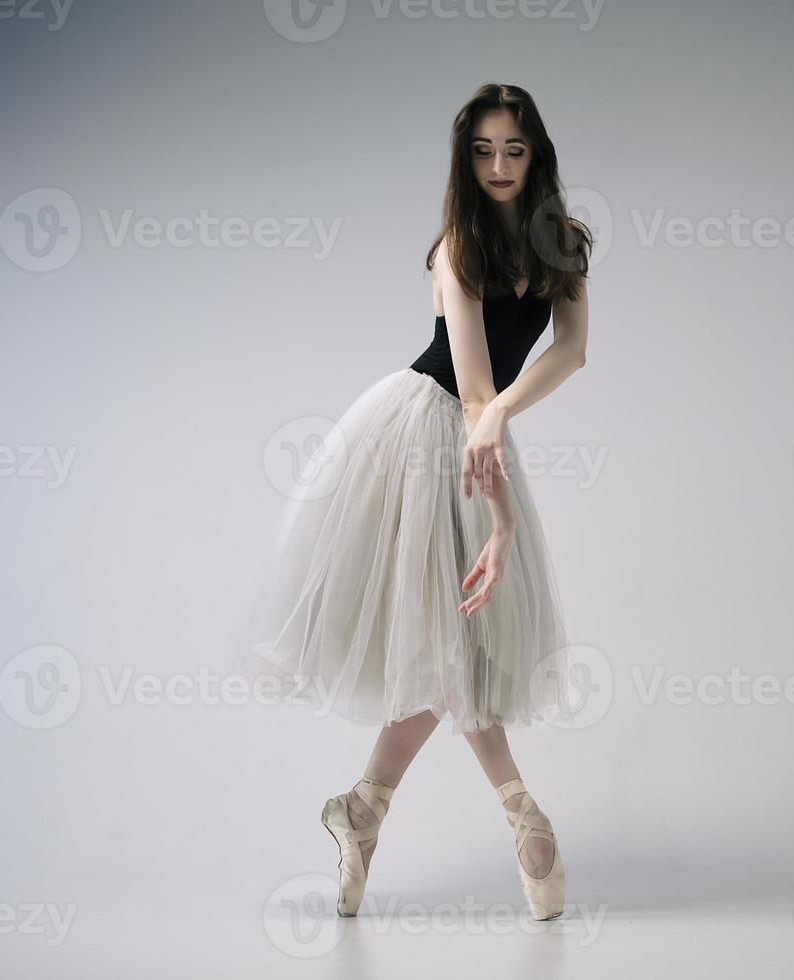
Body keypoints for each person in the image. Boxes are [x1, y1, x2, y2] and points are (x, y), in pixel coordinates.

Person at [237, 82, 591, 922]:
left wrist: (504, 412)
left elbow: (572, 352)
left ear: (536, 152)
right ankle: (520, 817)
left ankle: (364, 812)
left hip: (476, 436)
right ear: (464, 161)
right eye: (483, 150)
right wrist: (501, 511)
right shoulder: (456, 248)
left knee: (452, 648)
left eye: (514, 148)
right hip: (420, 438)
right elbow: (471, 392)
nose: (499, 165)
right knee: (453, 646)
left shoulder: (563, 243)